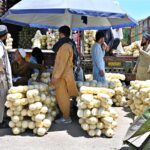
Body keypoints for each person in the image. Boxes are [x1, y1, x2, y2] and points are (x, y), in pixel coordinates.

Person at [51, 25, 78, 124]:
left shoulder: (65, 46)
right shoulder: (67, 44)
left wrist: (56, 76)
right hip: (63, 75)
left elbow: (62, 63)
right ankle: (65, 116)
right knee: (64, 96)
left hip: (62, 77)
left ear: (61, 34)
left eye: (59, 34)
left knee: (62, 97)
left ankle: (66, 117)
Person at [0, 25, 13, 126]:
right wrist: (2, 70)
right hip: (1, 76)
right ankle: (0, 121)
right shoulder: (0, 45)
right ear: (4, 36)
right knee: (1, 98)